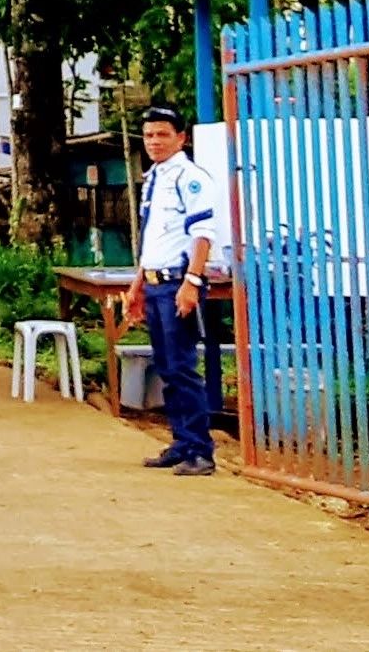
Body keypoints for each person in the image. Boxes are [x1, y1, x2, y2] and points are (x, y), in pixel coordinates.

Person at [125, 108, 220, 476]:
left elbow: (203, 234)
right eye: (148, 135)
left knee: (182, 368)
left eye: (162, 135)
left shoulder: (190, 177)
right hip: (154, 282)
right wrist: (137, 286)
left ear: (181, 138)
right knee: (166, 367)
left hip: (178, 283)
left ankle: (200, 449)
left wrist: (192, 282)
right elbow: (153, 240)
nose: (154, 142)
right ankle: (181, 442)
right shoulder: (155, 178)